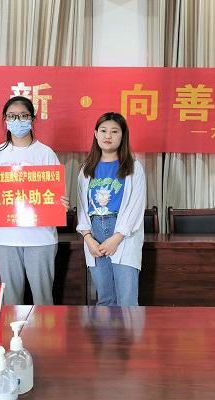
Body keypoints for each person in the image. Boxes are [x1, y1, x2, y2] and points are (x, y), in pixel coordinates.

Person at [0, 96, 69, 305]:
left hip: (41, 238)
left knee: (43, 299)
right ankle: (13, 329)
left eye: (24, 116)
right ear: (5, 119)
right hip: (6, 238)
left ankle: (44, 329)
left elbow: (56, 195)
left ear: (33, 118)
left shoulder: (45, 154)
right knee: (11, 300)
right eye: (12, 116)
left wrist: (62, 203)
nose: (18, 121)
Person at [76, 112, 146, 306]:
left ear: (123, 136)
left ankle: (128, 330)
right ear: (96, 134)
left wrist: (117, 238)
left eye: (115, 131)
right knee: (105, 299)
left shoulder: (133, 167)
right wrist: (88, 238)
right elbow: (82, 207)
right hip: (94, 234)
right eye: (103, 131)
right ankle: (106, 329)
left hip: (122, 233)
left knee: (127, 301)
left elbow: (136, 206)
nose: (108, 136)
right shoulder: (86, 168)